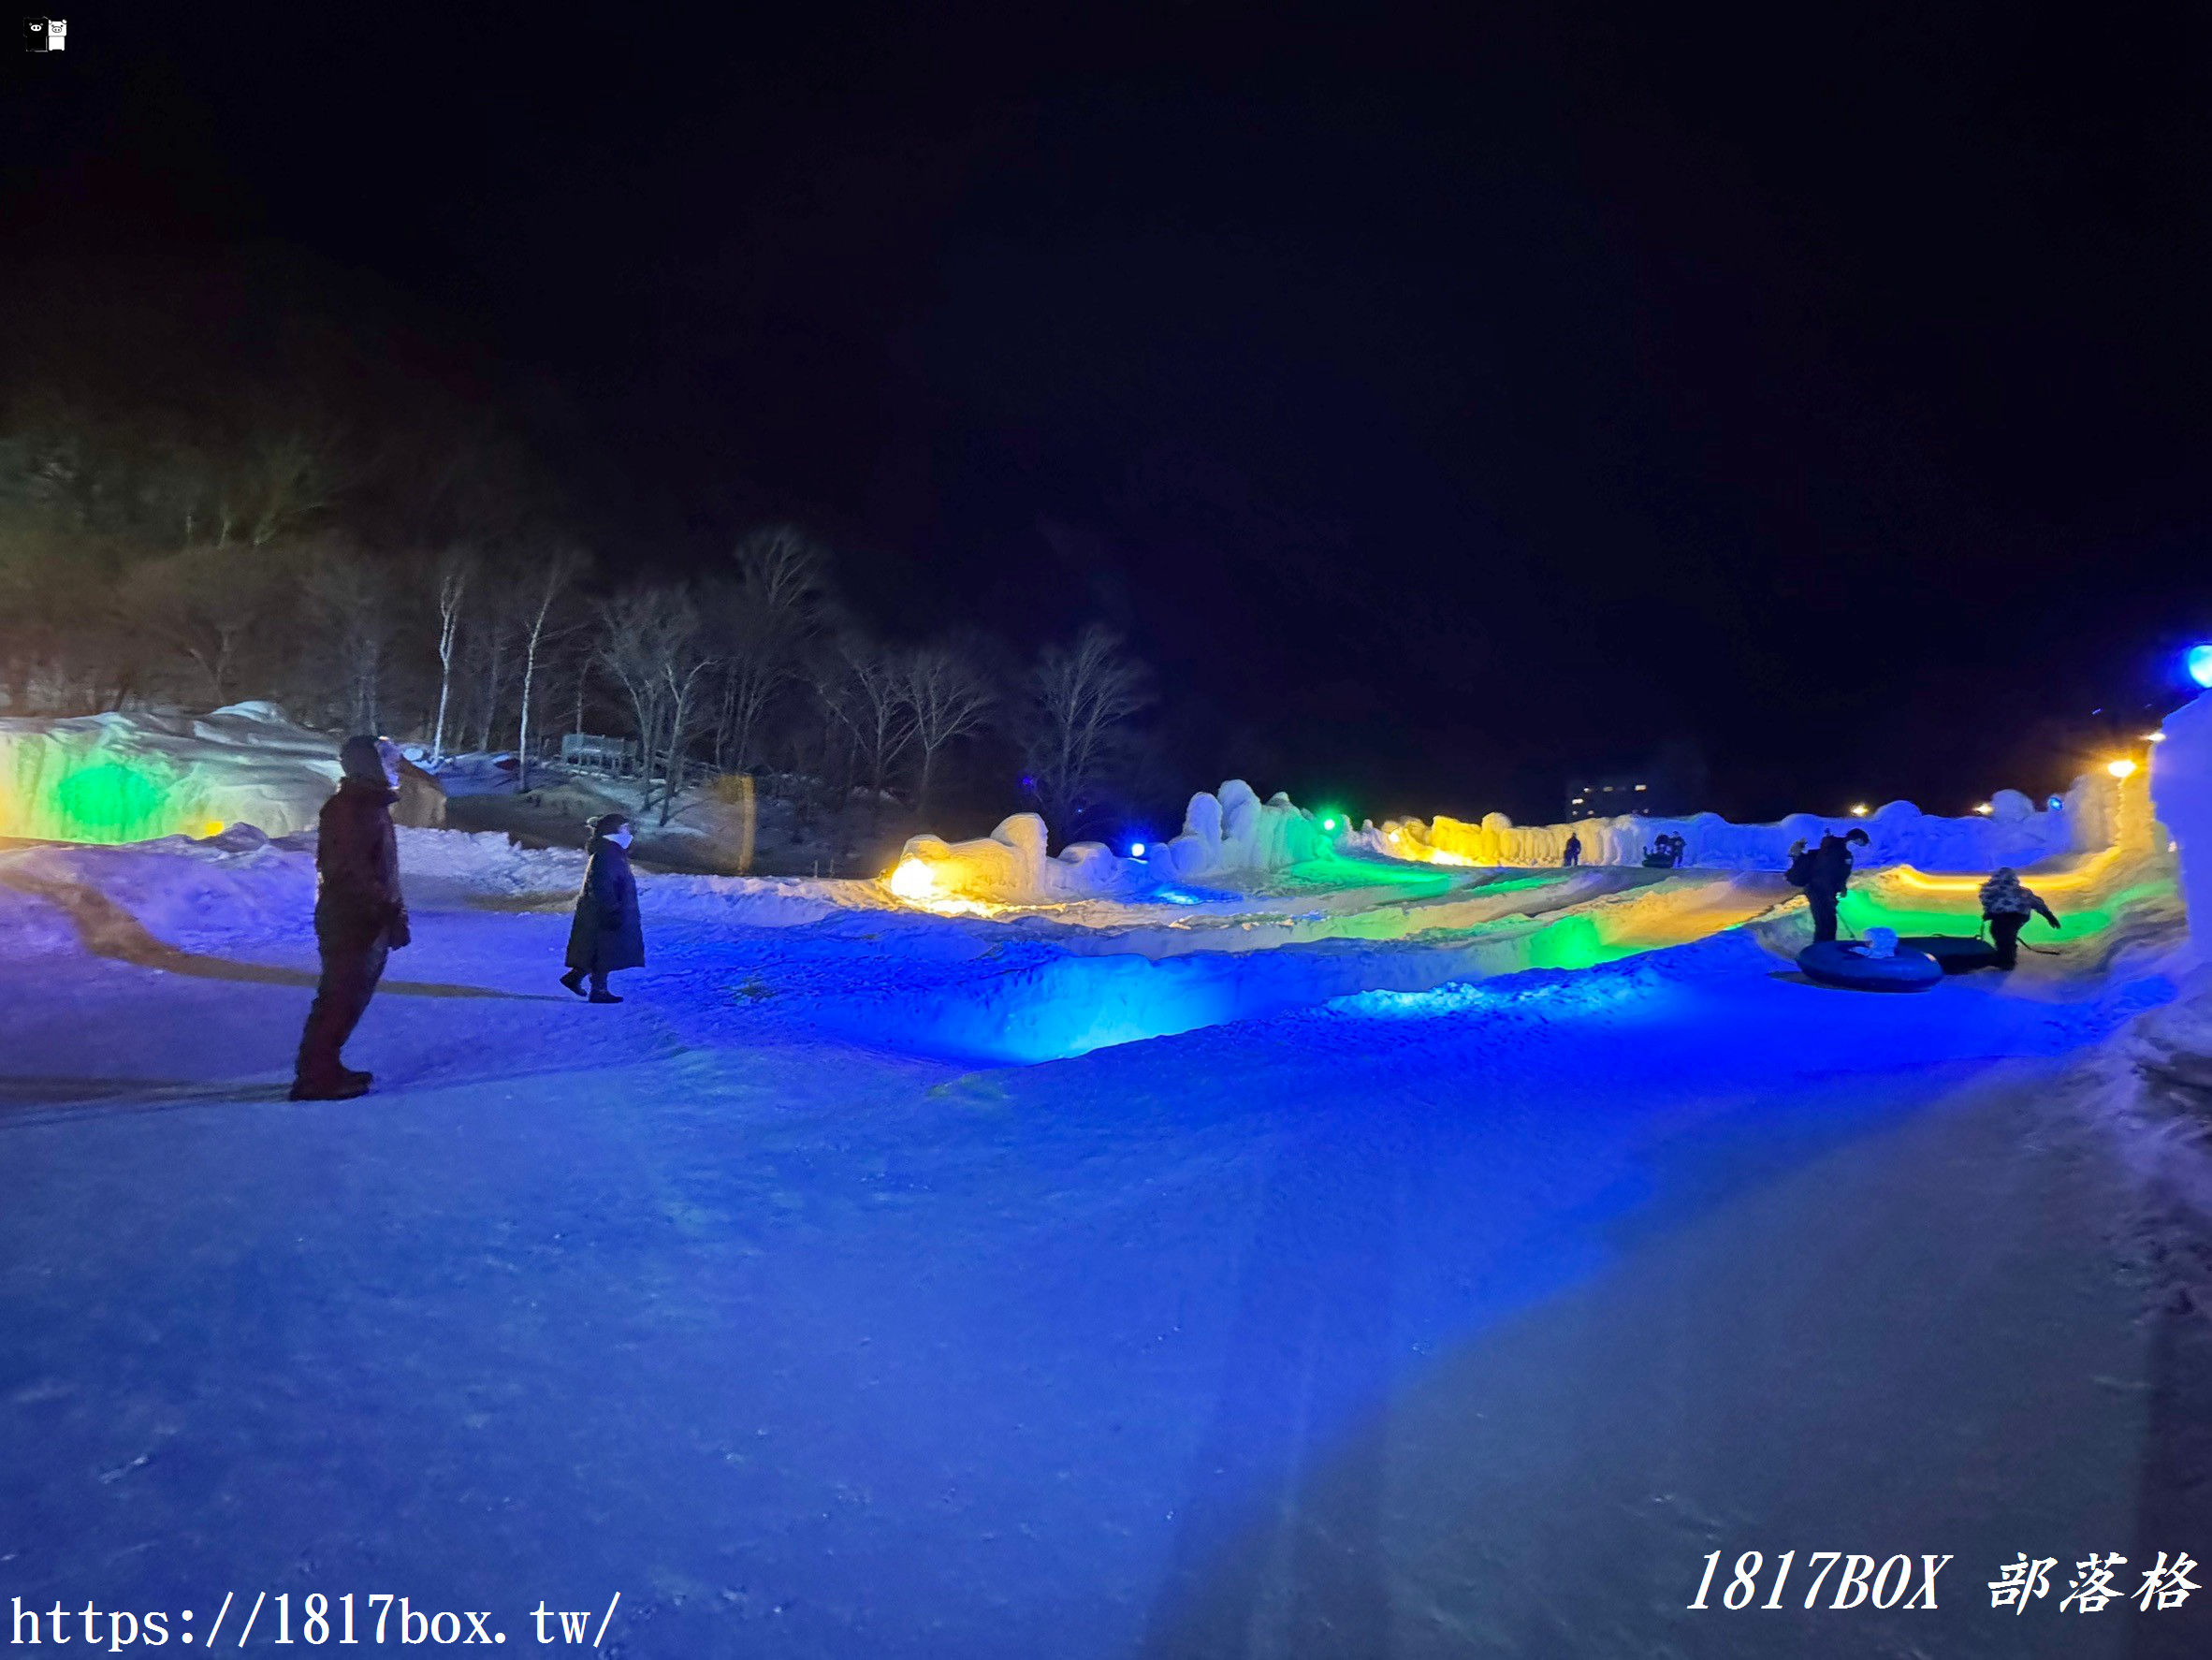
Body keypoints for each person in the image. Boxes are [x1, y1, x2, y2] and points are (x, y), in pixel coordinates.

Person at [293, 735, 410, 1100]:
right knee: (340, 995)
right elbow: (350, 870)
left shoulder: (370, 805)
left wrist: (392, 910)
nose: (395, 767)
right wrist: (382, 909)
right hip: (350, 917)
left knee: (352, 996)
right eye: (387, 759)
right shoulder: (350, 808)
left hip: (366, 916)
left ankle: (326, 1064)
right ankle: (314, 1076)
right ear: (368, 764)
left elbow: (377, 868)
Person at [562, 811, 643, 1003]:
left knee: (600, 949)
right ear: (613, 831)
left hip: (607, 910)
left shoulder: (613, 850)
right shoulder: (606, 853)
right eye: (623, 828)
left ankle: (574, 978)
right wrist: (612, 910)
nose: (627, 831)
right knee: (604, 951)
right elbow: (602, 885)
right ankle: (598, 990)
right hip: (603, 912)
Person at [1794, 826, 1870, 944]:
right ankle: (1823, 949)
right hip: (1821, 890)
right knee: (1826, 921)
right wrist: (1831, 893)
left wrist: (1840, 888)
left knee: (1825, 920)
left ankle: (1824, 947)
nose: (1860, 846)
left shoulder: (1835, 849)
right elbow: (1829, 873)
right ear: (1856, 839)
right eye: (1860, 842)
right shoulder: (1840, 851)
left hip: (1818, 889)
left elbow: (1838, 873)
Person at [1979, 866, 2059, 969]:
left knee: (2003, 933)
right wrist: (2048, 915)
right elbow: (2036, 902)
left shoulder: (2016, 892)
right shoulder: (1993, 891)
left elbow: (2035, 902)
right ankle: (2005, 954)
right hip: (2011, 916)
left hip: (2015, 916)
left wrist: (2048, 915)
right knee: (2001, 933)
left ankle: (2007, 960)